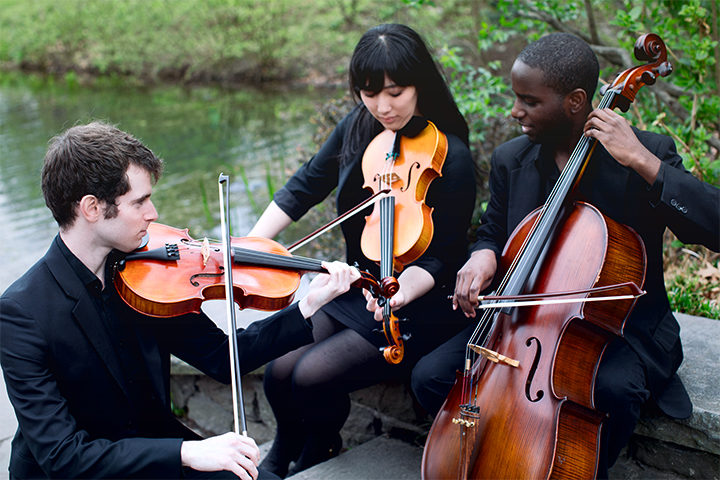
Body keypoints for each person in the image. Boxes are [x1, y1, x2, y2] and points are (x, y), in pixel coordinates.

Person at [412, 32, 720, 478]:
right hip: (521, 325)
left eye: (529, 101)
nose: (515, 112)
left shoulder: (646, 152)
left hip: (616, 328)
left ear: (576, 101)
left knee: (614, 388)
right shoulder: (510, 159)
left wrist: (643, 163)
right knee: (430, 376)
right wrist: (482, 255)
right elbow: (493, 230)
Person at [0, 121, 363, 480]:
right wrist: (188, 452)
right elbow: (63, 455)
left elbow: (223, 356)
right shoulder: (22, 313)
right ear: (92, 208)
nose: (153, 214)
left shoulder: (145, 277)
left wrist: (308, 305)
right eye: (139, 201)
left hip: (160, 453)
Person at [247, 23, 476, 477]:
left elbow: (444, 255)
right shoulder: (360, 125)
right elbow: (304, 185)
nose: (383, 106)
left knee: (311, 375)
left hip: (416, 300)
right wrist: (252, 246)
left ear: (421, 83)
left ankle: (320, 447)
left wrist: (401, 291)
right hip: (358, 283)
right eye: (370, 93)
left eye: (395, 91)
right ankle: (283, 450)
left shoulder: (453, 155)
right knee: (278, 368)